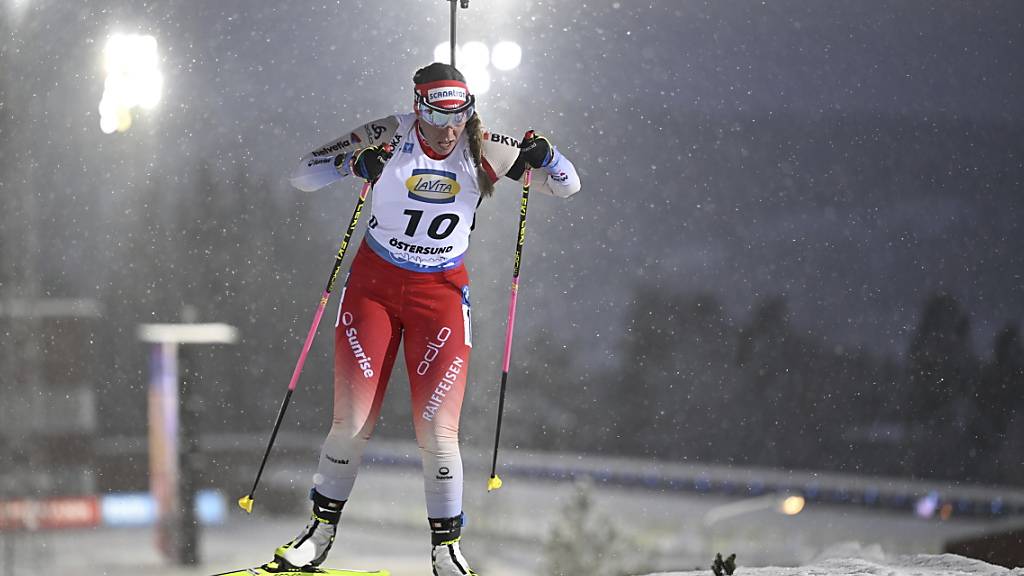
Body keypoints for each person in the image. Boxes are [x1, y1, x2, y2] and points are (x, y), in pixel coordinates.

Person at [268, 62, 581, 575]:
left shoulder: (485, 148)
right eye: (438, 117)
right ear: (418, 107)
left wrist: (549, 156)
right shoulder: (388, 134)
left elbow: (566, 185)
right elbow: (302, 174)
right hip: (375, 288)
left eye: (460, 117)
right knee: (352, 421)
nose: (449, 130)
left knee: (439, 432)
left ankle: (446, 551)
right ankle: (318, 534)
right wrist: (353, 166)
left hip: (440, 294)